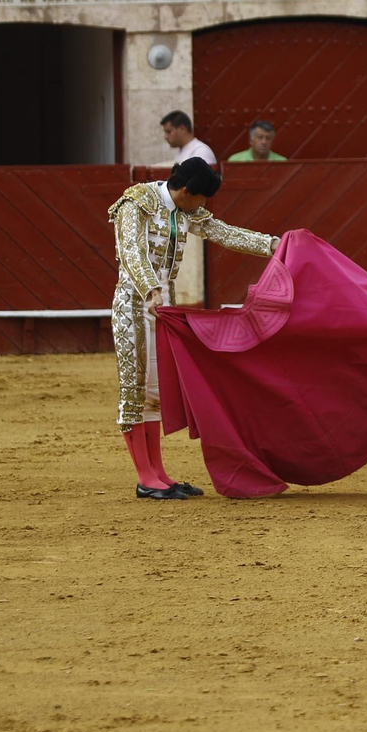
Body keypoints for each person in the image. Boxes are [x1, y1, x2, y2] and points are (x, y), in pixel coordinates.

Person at [108, 157, 278, 500]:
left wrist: (273, 245)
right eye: (202, 199)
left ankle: (158, 474)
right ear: (186, 191)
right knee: (135, 389)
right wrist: (150, 288)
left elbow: (222, 232)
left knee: (154, 393)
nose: (204, 206)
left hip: (162, 309)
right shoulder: (137, 201)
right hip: (133, 304)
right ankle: (144, 477)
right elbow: (131, 251)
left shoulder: (185, 209)